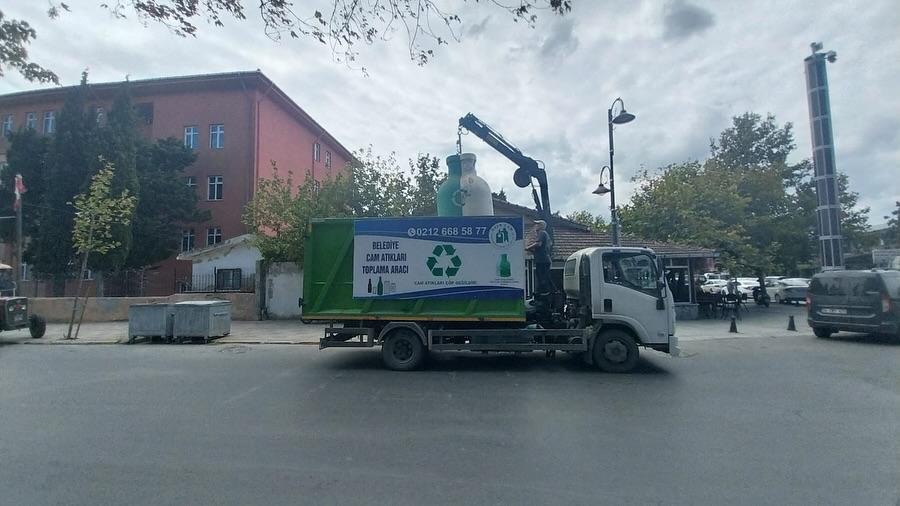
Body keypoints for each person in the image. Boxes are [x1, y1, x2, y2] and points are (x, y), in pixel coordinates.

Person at [526, 220, 554, 294]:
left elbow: (538, 244)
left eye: (537, 224)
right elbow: (541, 249)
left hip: (542, 260)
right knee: (544, 277)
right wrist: (532, 251)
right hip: (544, 260)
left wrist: (528, 247)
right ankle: (550, 292)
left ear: (542, 226)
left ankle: (544, 293)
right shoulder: (545, 234)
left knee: (542, 279)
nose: (536, 226)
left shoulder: (542, 233)